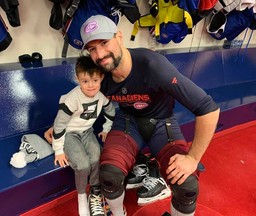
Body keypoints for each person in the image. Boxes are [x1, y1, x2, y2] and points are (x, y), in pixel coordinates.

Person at [45, 15, 220, 216]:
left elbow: (208, 109)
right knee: (109, 175)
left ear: (119, 36)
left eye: (104, 42)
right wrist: (59, 126)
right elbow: (77, 97)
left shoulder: (153, 66)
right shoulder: (101, 74)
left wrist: (192, 158)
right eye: (92, 49)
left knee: (187, 185)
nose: (100, 54)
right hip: (127, 122)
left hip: (161, 123)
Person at [51, 55, 115, 216]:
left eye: (95, 80)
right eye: (85, 81)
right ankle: (81, 196)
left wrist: (106, 128)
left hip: (87, 132)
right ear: (77, 79)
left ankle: (94, 192)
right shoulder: (72, 99)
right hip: (69, 133)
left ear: (101, 77)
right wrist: (58, 150)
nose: (91, 86)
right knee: (83, 164)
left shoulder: (101, 96)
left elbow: (111, 112)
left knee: (96, 157)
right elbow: (59, 125)